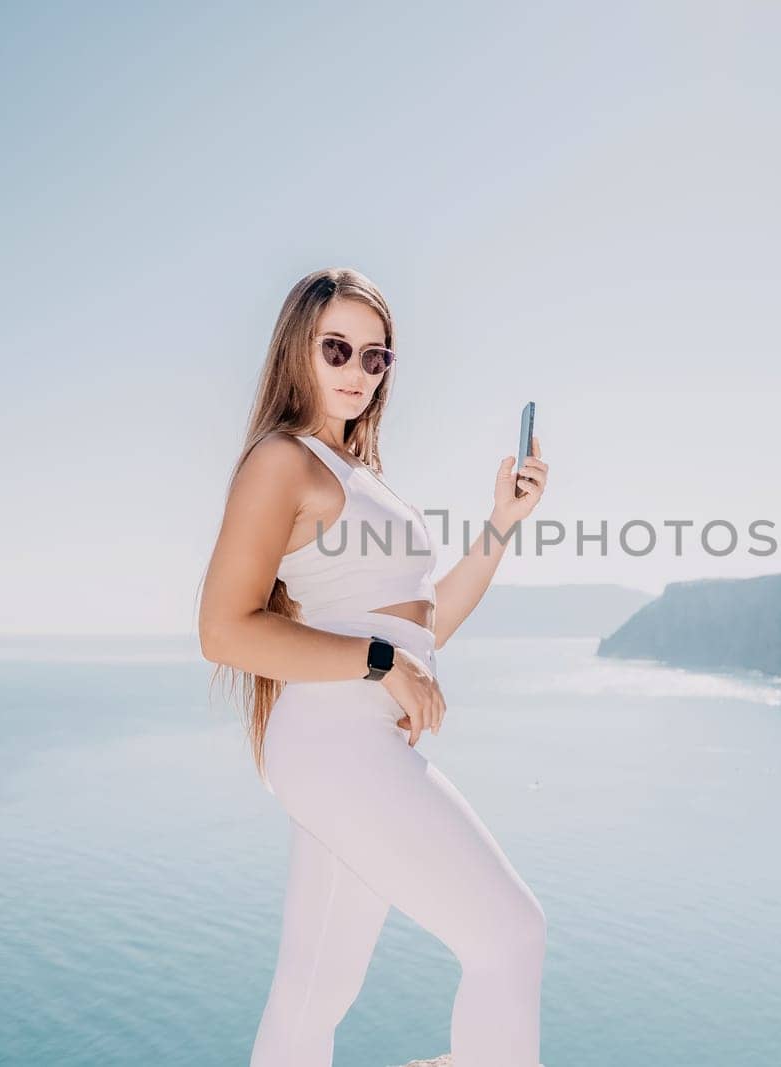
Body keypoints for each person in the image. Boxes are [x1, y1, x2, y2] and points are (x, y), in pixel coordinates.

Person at [197, 267, 551, 1067]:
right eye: (337, 350)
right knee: (511, 933)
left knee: (313, 989)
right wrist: (380, 660)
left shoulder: (358, 475)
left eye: (375, 357)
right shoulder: (281, 462)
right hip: (334, 737)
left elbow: (428, 627)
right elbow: (223, 629)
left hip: (354, 741)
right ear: (298, 349)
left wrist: (502, 522)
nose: (358, 372)